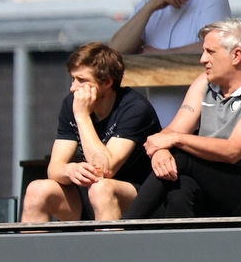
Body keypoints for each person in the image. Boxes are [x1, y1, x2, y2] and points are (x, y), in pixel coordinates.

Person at [123, 19, 241, 218]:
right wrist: (160, 151)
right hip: (216, 187)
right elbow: (173, 130)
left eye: (210, 52)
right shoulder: (204, 83)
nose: (202, 59)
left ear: (236, 55)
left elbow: (233, 150)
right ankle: (181, 248)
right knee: (181, 186)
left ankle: (124, 227)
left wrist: (173, 141)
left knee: (182, 155)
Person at [21, 43, 161, 223]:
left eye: (82, 80)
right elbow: (54, 168)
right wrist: (69, 169)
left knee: (101, 189)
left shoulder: (134, 108)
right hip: (91, 191)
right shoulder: (71, 103)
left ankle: (107, 251)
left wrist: (82, 116)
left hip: (141, 197)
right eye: (73, 79)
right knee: (37, 190)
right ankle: (33, 251)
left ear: (107, 82)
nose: (73, 88)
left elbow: (105, 169)